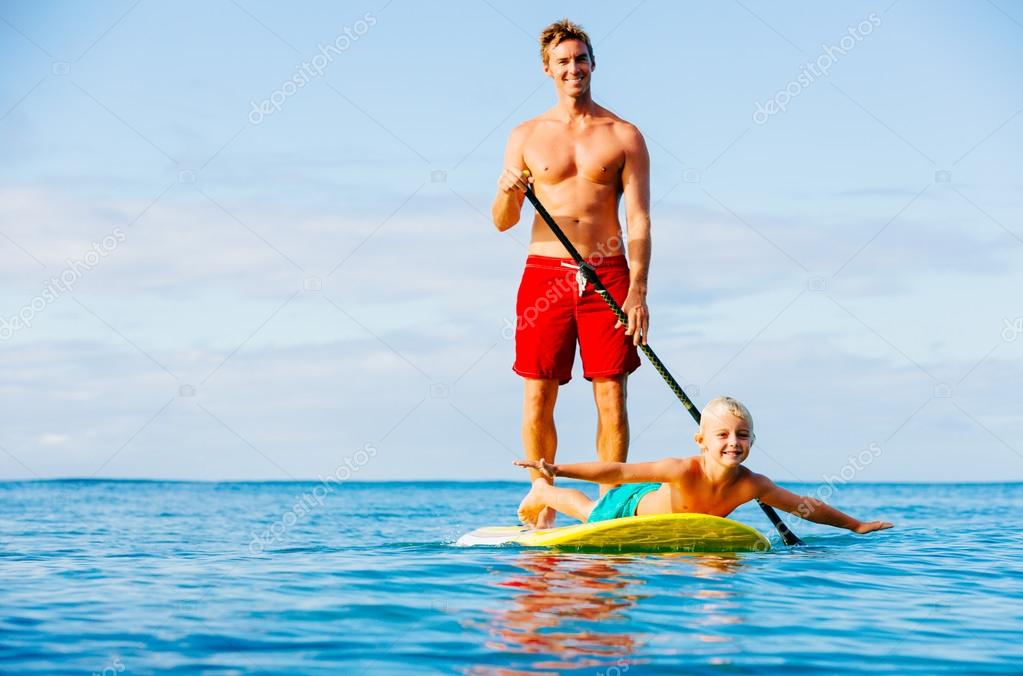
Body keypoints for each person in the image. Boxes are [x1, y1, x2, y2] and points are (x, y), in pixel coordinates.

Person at [492, 19, 651, 529]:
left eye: (580, 59)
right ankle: (543, 504)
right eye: (563, 61)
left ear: (592, 63)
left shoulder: (623, 134)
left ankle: (609, 509)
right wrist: (509, 189)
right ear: (548, 69)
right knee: (539, 391)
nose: (573, 68)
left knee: (611, 394)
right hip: (545, 271)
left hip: (609, 272)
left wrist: (639, 291)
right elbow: (502, 221)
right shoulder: (525, 136)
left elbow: (640, 219)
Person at [514, 396, 894, 535]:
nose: (733, 442)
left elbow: (804, 506)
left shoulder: (752, 483)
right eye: (722, 435)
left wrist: (855, 525)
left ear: (752, 441)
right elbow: (618, 472)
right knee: (591, 513)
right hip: (631, 507)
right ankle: (543, 493)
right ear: (702, 441)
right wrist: (558, 470)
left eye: (741, 435)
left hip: (673, 519)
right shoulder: (682, 469)